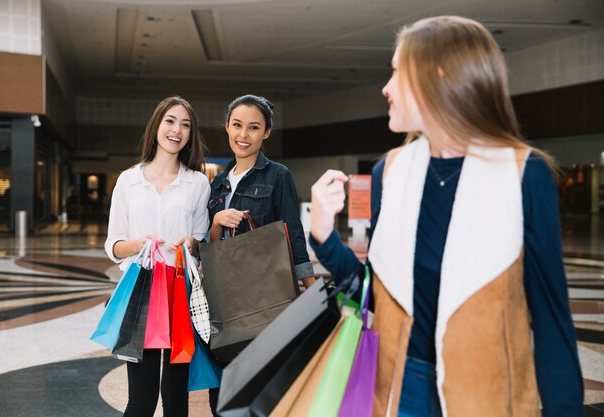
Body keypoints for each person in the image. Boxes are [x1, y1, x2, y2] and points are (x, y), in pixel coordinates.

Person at [309, 16, 583, 417]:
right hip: (398, 390)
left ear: (436, 76)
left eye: (397, 72)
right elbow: (373, 297)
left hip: (485, 394)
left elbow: (551, 319)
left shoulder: (522, 173)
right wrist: (324, 235)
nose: (385, 88)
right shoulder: (392, 170)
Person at [206, 94, 316, 415]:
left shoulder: (278, 175)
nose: (244, 135)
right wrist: (216, 221)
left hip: (266, 297)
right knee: (225, 388)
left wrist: (311, 292)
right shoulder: (218, 183)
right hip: (226, 300)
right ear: (227, 127)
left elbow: (292, 234)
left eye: (253, 127)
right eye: (237, 125)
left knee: (263, 388)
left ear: (266, 132)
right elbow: (210, 246)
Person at [104, 96, 210, 417]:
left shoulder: (197, 183)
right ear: (156, 126)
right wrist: (137, 245)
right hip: (142, 292)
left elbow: (202, 241)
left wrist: (192, 243)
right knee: (141, 400)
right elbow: (113, 245)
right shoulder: (128, 181)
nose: (176, 130)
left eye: (185, 124)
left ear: (190, 135)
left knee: (176, 400)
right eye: (170, 121)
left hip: (181, 292)